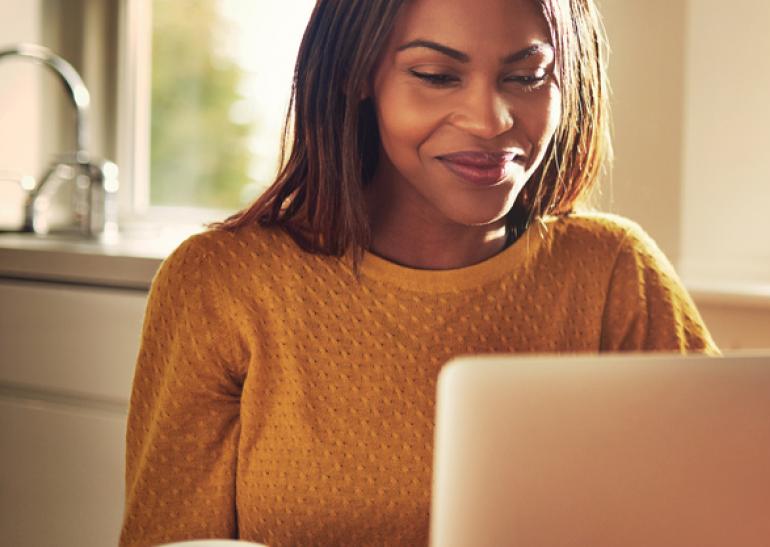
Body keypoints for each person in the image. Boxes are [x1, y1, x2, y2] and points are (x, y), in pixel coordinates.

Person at [120, 0, 716, 544]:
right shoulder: (221, 283)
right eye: (436, 76)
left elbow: (730, 504)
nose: (489, 120)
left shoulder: (614, 273)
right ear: (357, 76)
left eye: (526, 77)